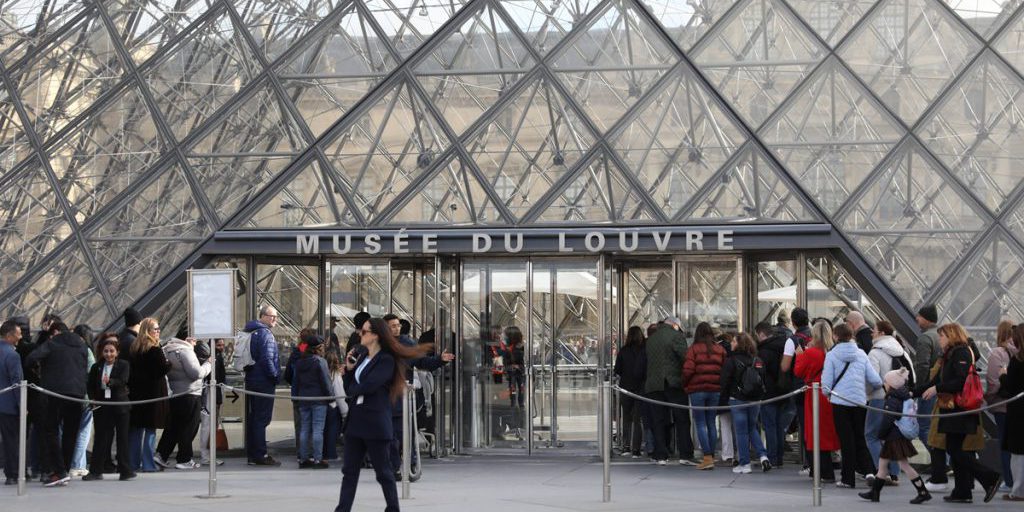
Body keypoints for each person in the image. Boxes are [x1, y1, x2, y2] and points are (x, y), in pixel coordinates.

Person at [335, 317, 428, 512]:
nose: (360, 334)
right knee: (349, 472)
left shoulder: (386, 360)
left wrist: (355, 387)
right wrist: (349, 371)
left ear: (376, 335)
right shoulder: (362, 357)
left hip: (375, 421)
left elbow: (370, 385)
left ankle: (393, 508)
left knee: (383, 472)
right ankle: (342, 509)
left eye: (364, 332)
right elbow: (350, 388)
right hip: (356, 421)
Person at [920, 323, 1002, 503]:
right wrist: (912, 392)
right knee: (956, 449)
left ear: (951, 335)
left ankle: (989, 477)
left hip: (960, 409)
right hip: (954, 409)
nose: (939, 340)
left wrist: (936, 389)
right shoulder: (950, 354)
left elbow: (960, 381)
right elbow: (935, 381)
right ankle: (962, 491)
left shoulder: (961, 353)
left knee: (955, 450)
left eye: (941, 336)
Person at [25, 321, 88, 487]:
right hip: (77, 394)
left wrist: (40, 369)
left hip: (55, 393)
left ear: (57, 332)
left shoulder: (53, 343)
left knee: (50, 431)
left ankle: (59, 471)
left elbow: (31, 358)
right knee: (70, 434)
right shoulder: (82, 345)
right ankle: (64, 470)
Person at [858, 368, 931, 504]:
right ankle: (875, 492)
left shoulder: (892, 399)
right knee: (882, 465)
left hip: (894, 437)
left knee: (904, 465)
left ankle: (923, 492)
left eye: (885, 382)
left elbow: (887, 419)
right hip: (896, 436)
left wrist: (881, 434)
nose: (884, 384)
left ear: (891, 384)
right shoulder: (903, 396)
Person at [822, 323, 882, 489]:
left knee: (846, 441)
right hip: (859, 402)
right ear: (851, 336)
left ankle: (848, 479)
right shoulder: (861, 354)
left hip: (840, 402)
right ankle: (869, 472)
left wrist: (828, 394)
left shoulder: (832, 355)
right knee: (860, 438)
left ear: (835, 336)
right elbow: (876, 380)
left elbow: (826, 384)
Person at [82, 335, 135, 482]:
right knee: (101, 438)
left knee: (122, 439)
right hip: (102, 406)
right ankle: (96, 470)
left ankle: (125, 470)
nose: (108, 354)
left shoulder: (123, 365)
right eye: (106, 351)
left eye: (112, 351)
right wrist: (92, 398)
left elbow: (123, 380)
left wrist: (110, 382)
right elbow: (90, 384)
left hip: (120, 406)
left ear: (117, 352)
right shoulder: (96, 367)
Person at [156, 332, 211, 469]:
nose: (195, 342)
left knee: (173, 428)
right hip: (191, 393)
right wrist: (209, 365)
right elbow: (196, 373)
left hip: (175, 393)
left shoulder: (167, 350)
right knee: (189, 428)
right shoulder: (186, 351)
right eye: (194, 339)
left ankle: (161, 454)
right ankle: (184, 459)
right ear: (187, 339)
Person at [644, 316, 694, 466]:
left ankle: (661, 455)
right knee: (682, 419)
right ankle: (685, 454)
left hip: (654, 385)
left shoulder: (651, 339)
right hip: (673, 383)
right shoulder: (676, 336)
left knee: (658, 420)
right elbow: (685, 358)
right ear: (674, 325)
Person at [793, 320, 838, 483]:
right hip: (831, 393)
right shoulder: (833, 352)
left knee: (814, 432)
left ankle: (821, 470)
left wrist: (799, 356)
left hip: (814, 393)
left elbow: (798, 371)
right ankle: (825, 469)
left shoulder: (811, 352)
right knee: (826, 432)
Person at [718, 332, 770, 474]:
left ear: (739, 344)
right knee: (751, 428)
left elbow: (724, 382)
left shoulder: (731, 360)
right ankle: (763, 456)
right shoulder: (757, 360)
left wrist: (722, 400)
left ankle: (745, 463)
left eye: (734, 341)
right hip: (755, 400)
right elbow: (763, 379)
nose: (731, 343)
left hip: (738, 399)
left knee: (741, 431)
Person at [865, 320, 909, 484]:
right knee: (891, 435)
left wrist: (867, 393)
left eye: (874, 330)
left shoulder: (875, 353)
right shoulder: (902, 351)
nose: (872, 333)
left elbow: (872, 379)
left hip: (879, 398)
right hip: (899, 399)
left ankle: (882, 472)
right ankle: (894, 472)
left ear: (882, 333)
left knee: (871, 435)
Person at [128, 318, 170, 473]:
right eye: (156, 329)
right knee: (150, 429)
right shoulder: (155, 350)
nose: (158, 332)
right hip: (153, 394)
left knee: (136, 429)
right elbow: (162, 369)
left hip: (137, 393)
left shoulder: (134, 349)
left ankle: (133, 463)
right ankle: (148, 463)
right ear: (148, 331)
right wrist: (169, 364)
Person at [682, 322, 725, 470]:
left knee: (700, 423)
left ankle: (707, 457)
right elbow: (724, 370)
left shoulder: (693, 349)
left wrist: (685, 384)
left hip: (697, 390)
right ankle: (711, 455)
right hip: (715, 390)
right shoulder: (720, 349)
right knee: (711, 422)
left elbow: (688, 370)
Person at [243, 305, 281, 466]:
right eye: (272, 316)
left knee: (254, 418)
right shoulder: (265, 334)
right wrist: (275, 376)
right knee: (261, 419)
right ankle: (260, 455)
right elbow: (267, 359)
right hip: (264, 381)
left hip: (252, 379)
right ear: (263, 316)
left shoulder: (251, 331)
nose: (275, 319)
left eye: (276, 316)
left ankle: (252, 454)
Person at [912, 305, 944, 492]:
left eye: (919, 317)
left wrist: (920, 389)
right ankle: (942, 461)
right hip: (940, 389)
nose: (916, 319)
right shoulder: (940, 335)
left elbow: (922, 365)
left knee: (924, 426)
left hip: (928, 390)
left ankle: (940, 461)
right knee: (936, 426)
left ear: (926, 318)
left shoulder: (925, 338)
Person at [292, 334, 334, 468]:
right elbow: (326, 382)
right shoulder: (320, 362)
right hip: (319, 400)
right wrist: (331, 397)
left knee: (304, 429)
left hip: (303, 399)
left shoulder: (300, 362)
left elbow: (295, 382)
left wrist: (295, 398)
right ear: (319, 348)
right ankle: (317, 459)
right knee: (317, 429)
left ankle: (303, 459)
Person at [986, 319, 1017, 492]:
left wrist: (990, 398)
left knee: (1005, 444)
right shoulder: (1020, 352)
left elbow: (993, 381)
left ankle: (1009, 480)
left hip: (1002, 405)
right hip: (1018, 405)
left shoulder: (997, 353)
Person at [754, 321, 789, 469]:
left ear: (762, 334)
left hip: (768, 392)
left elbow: (760, 373)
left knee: (769, 426)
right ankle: (778, 457)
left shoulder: (764, 351)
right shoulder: (783, 346)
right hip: (783, 391)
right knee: (779, 426)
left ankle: (772, 457)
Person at [780, 308, 811, 472]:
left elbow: (785, 366)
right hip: (818, 385)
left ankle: (809, 463)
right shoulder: (816, 336)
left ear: (793, 322)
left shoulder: (792, 340)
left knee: (804, 424)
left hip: (800, 386)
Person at [998, 323, 1024, 501]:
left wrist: (1003, 375)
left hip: (1018, 412)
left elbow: (1011, 386)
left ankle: (1019, 491)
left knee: (1018, 453)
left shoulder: (1017, 360)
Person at [614, 326, 646, 458]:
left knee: (626, 418)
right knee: (638, 420)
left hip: (625, 388)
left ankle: (626, 446)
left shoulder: (623, 351)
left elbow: (617, 370)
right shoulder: (644, 350)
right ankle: (636, 449)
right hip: (640, 388)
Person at [68, 324, 95, 479]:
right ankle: (77, 465)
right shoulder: (86, 351)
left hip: (69, 396)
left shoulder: (68, 350)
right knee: (83, 433)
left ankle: (79, 464)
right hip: (84, 397)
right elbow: (92, 374)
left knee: (72, 431)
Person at [0, 320, 23, 485]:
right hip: (8, 406)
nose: (20, 337)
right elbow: (17, 383)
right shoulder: (13, 355)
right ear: (9, 335)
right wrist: (22, 405)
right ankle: (12, 474)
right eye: (18, 334)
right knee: (11, 441)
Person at [198, 338, 226, 466]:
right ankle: (205, 456)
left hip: (213, 392)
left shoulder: (217, 356)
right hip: (210, 392)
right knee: (208, 425)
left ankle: (208, 455)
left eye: (222, 345)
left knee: (210, 425)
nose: (221, 347)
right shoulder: (212, 357)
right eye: (219, 345)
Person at [715, 332, 735, 465]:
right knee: (740, 426)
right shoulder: (736, 352)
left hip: (723, 393)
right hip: (737, 394)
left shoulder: (717, 351)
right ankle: (741, 453)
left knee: (725, 424)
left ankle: (727, 454)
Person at [325, 350, 348, 461]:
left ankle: (325, 453)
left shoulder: (324, 373)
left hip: (325, 405)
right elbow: (340, 394)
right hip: (334, 407)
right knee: (333, 431)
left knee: (326, 431)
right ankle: (331, 454)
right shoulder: (336, 376)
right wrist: (345, 412)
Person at [501, 326, 526, 410]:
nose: (504, 338)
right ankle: (516, 405)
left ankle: (518, 405)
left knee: (519, 389)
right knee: (514, 389)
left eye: (506, 336)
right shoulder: (510, 348)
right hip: (514, 373)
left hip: (517, 373)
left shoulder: (518, 348)